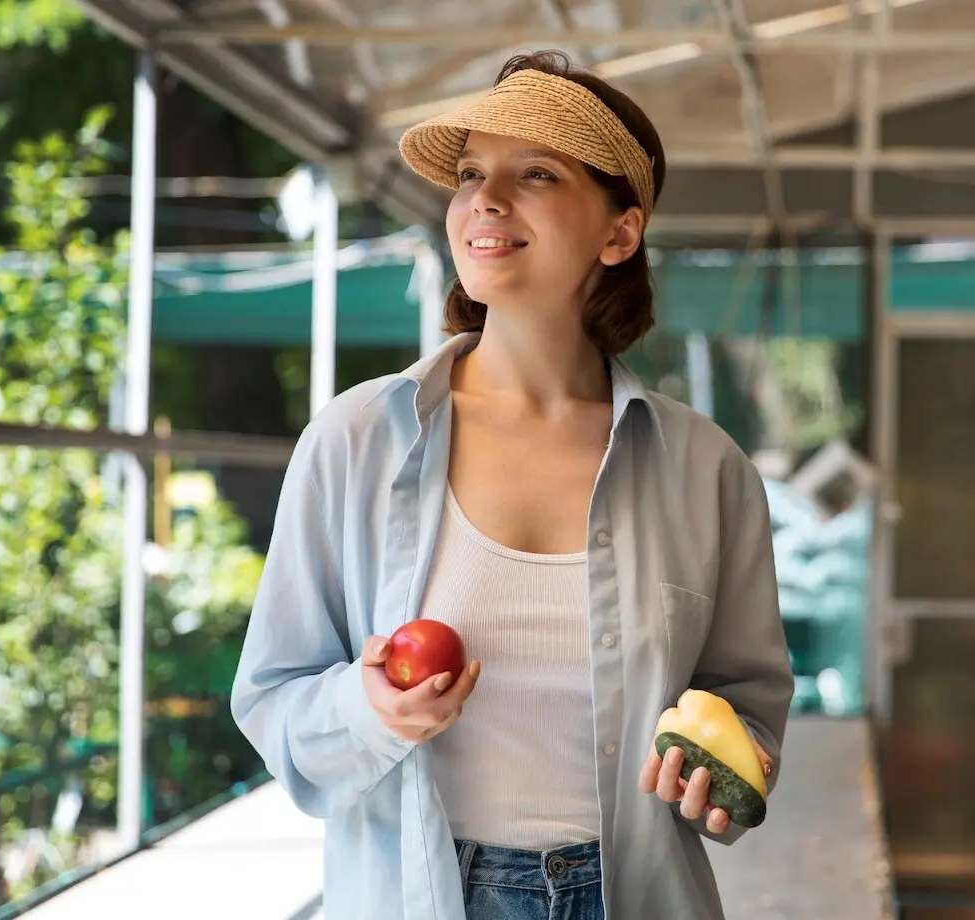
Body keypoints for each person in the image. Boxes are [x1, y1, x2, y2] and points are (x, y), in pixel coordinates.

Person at [230, 49, 794, 920]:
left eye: (536, 173)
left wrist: (718, 784)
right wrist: (368, 707)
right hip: (421, 893)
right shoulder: (355, 442)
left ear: (619, 232)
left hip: (636, 894)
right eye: (468, 174)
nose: (484, 200)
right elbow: (273, 695)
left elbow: (748, 707)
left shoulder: (707, 469)